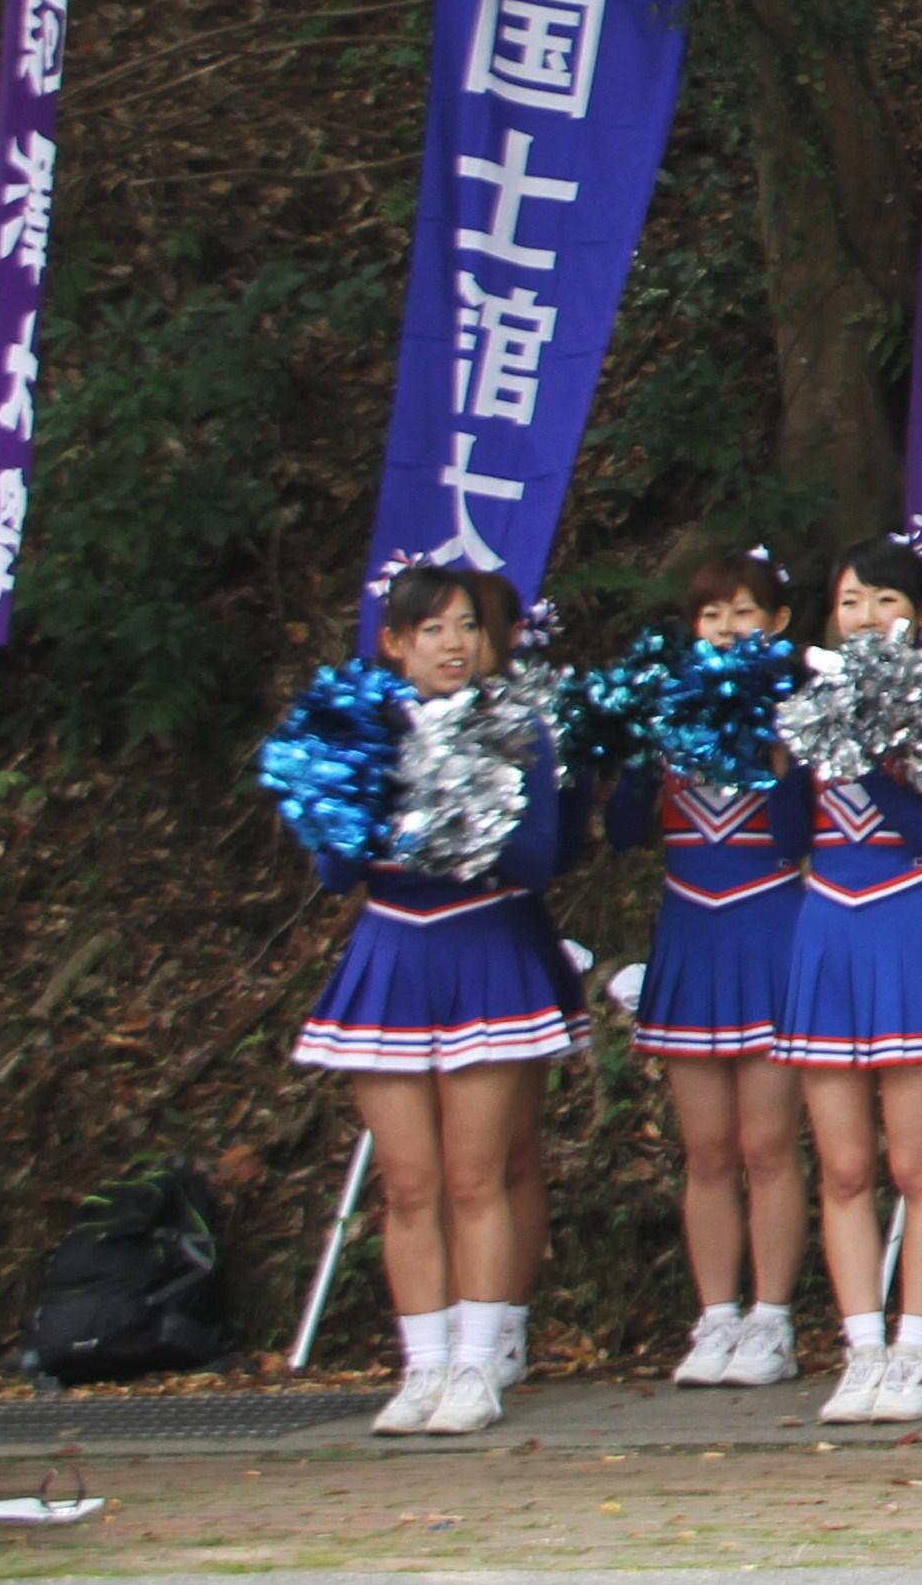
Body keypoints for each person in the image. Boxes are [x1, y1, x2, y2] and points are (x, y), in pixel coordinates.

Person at [285, 561, 566, 1438]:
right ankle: (422, 1366)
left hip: (484, 953)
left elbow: (540, 861)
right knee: (409, 1183)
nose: (454, 644)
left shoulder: (516, 727)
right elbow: (336, 873)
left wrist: (473, 800)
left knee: (476, 1177)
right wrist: (347, 802)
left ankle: (478, 1366)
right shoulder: (358, 728)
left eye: (468, 627)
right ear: (395, 643)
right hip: (392, 960)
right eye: (433, 629)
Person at [767, 541, 922, 1425]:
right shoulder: (807, 701)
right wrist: (784, 755)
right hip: (826, 930)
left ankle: (915, 1351)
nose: (864, 616)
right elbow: (789, 837)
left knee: (914, 1163)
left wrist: (858, 749)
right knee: (846, 1167)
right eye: (850, 601)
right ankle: (860, 1350)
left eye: (885, 599)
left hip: (904, 927)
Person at [602, 549, 809, 1391]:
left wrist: (785, 753)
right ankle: (716, 1315)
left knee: (767, 1145)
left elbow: (799, 836)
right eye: (710, 615)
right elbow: (623, 833)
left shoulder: (799, 709)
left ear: (778, 622)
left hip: (771, 932)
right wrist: (626, 749)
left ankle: (772, 1320)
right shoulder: (668, 709)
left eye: (743, 612)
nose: (726, 629)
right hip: (691, 936)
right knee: (708, 1150)